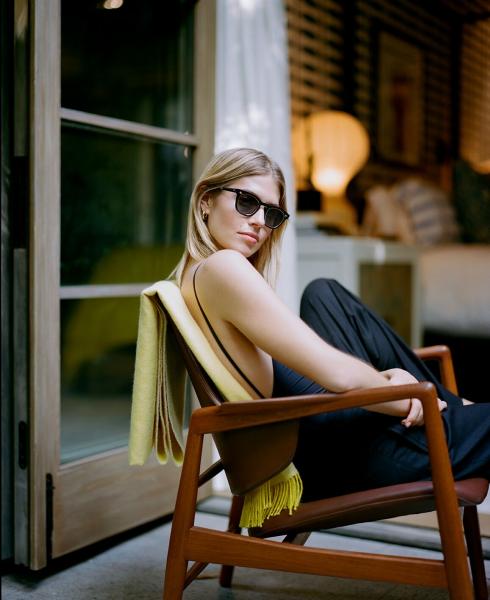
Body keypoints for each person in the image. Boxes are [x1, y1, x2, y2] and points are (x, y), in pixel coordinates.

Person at [171, 147, 489, 502]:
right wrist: (408, 398)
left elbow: (326, 371)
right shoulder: (224, 267)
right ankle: (451, 407)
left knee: (323, 293)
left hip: (336, 430)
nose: (260, 221)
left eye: (271, 213)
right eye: (247, 202)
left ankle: (453, 406)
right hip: (343, 453)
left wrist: (389, 382)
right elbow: (337, 376)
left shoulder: (200, 275)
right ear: (205, 201)